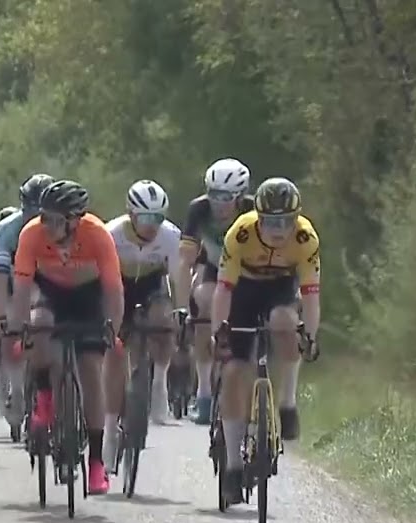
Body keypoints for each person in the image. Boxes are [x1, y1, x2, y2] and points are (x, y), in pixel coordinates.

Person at [6, 180, 123, 495]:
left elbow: (113, 288)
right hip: (50, 294)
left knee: (90, 372)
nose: (47, 225)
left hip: (89, 298)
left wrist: (114, 327)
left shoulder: (97, 235)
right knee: (39, 323)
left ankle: (97, 462)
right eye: (44, 217)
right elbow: (21, 289)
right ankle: (44, 399)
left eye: (55, 220)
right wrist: (18, 327)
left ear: (75, 220)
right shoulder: (31, 234)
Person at [211, 177, 320, 504]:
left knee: (286, 322)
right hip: (243, 292)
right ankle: (231, 467)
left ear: (296, 218)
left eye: (285, 221)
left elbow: (311, 296)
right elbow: (222, 291)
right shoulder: (240, 233)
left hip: (280, 291)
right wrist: (220, 332)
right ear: (257, 216)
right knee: (234, 374)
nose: (278, 229)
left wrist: (310, 336)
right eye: (270, 221)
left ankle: (287, 403)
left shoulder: (305, 237)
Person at [101, 180, 188, 465]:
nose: (152, 225)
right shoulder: (111, 233)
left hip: (153, 285)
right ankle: (111, 429)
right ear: (131, 214)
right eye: (146, 217)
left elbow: (179, 277)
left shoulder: (170, 236)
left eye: (158, 218)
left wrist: (183, 310)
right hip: (119, 287)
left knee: (164, 319)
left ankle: (160, 382)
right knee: (115, 352)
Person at [178, 158, 254, 425]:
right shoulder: (198, 209)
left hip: (250, 273)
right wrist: (183, 306)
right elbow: (186, 258)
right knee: (202, 301)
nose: (219, 203)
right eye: (214, 194)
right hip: (215, 267)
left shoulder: (252, 209)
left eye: (226, 197)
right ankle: (204, 393)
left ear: (241, 195)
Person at [0, 173, 54, 428]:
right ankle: (15, 388)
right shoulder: (7, 229)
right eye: (30, 210)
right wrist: (1, 317)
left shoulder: (61, 226)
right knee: (10, 327)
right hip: (14, 278)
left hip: (49, 279)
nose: (36, 217)